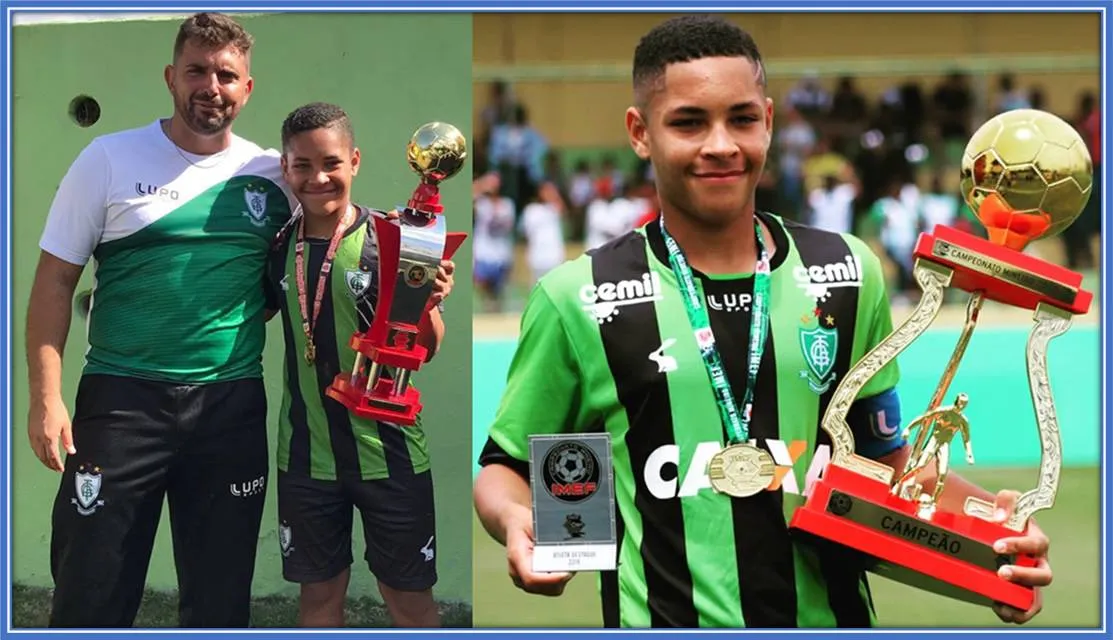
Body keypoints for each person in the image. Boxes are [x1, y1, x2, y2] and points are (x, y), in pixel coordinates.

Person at [474, 15, 1052, 629]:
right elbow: (504, 466)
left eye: (742, 119)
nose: (721, 143)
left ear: (769, 122)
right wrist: (517, 522)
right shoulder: (578, 296)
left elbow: (890, 461)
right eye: (689, 122)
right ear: (640, 133)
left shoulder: (849, 272)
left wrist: (999, 532)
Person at [25, 13, 293, 628]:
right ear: (171, 78)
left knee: (220, 601)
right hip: (121, 404)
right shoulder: (107, 159)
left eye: (227, 74)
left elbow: (313, 264)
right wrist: (46, 398)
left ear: (247, 88)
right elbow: (54, 282)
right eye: (197, 70)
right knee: (90, 591)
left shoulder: (275, 175)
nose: (211, 85)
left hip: (230, 408)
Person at [267, 103, 454, 628]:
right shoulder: (276, 246)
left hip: (390, 454)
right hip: (305, 457)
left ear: (354, 161)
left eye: (330, 162)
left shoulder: (392, 239)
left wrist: (429, 302)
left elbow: (428, 346)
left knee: (409, 602)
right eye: (302, 165)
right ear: (286, 168)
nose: (317, 177)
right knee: (319, 600)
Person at [893, 393, 975, 512]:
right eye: (961, 402)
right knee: (920, 466)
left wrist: (969, 453)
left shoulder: (962, 420)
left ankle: (933, 502)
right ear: (956, 401)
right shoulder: (943, 411)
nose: (962, 405)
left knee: (942, 474)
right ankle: (898, 482)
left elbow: (966, 437)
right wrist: (909, 428)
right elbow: (924, 417)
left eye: (964, 404)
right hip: (934, 441)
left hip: (944, 445)